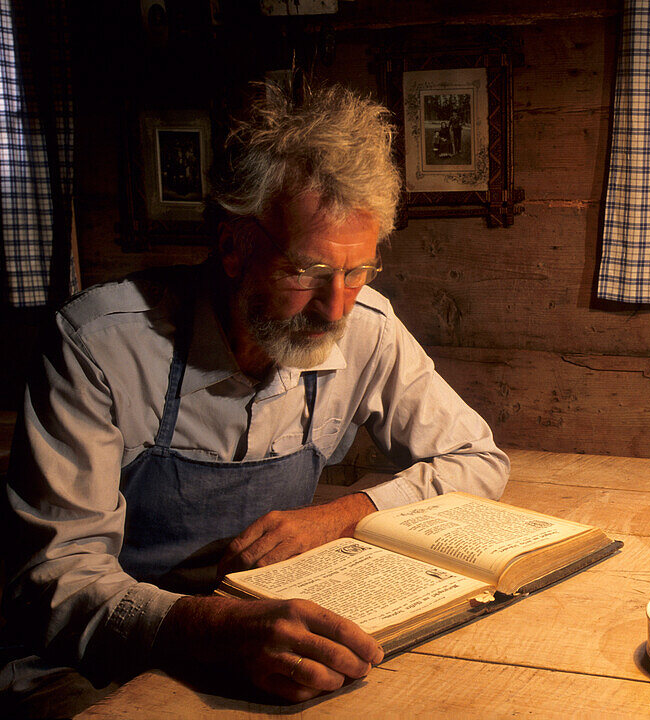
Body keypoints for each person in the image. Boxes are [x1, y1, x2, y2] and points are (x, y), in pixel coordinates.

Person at [0, 83, 510, 717]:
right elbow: (54, 580)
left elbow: (478, 459)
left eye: (357, 272)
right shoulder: (101, 345)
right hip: (89, 659)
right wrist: (212, 631)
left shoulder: (367, 326)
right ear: (234, 247)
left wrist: (342, 515)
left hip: (260, 636)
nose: (336, 307)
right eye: (308, 271)